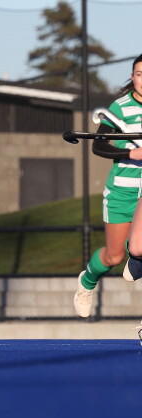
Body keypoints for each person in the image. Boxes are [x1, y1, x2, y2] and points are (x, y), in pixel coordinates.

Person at [74, 54, 142, 317]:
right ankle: (87, 282)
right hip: (122, 191)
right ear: (132, 77)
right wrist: (130, 153)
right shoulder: (120, 107)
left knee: (138, 247)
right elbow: (99, 145)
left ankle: (136, 255)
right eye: (139, 74)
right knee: (114, 257)